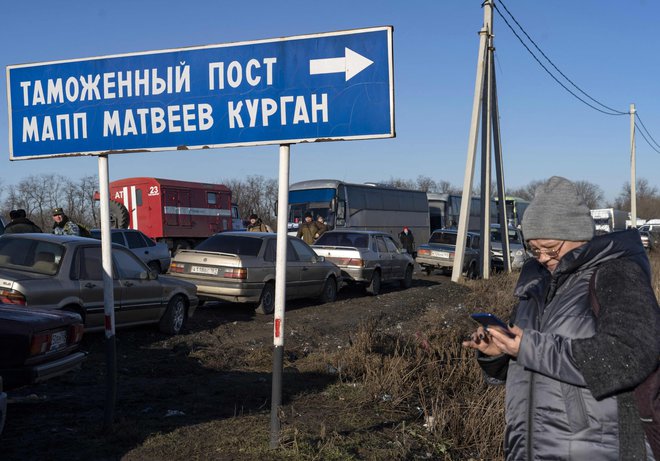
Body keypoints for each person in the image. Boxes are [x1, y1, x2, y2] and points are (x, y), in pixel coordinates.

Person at [462, 176, 660, 460]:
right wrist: (500, 354)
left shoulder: (616, 274)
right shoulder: (536, 286)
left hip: (596, 450)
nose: (541, 257)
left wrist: (528, 347)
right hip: (530, 449)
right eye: (534, 249)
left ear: (578, 236)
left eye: (550, 248)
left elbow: (631, 354)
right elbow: (537, 366)